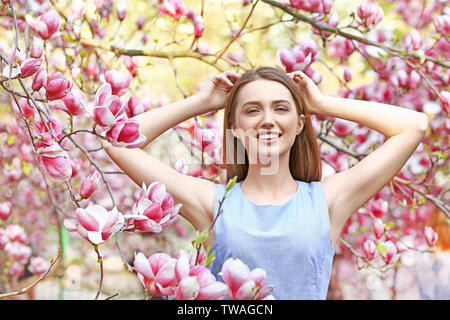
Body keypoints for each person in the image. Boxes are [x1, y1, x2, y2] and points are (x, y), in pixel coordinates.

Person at [102, 66, 428, 299]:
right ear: (234, 124)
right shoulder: (211, 202)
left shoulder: (328, 200)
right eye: (252, 110)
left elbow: (413, 126)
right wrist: (201, 102)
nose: (268, 120)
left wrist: (323, 104)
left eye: (281, 108)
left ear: (300, 124)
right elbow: (115, 141)